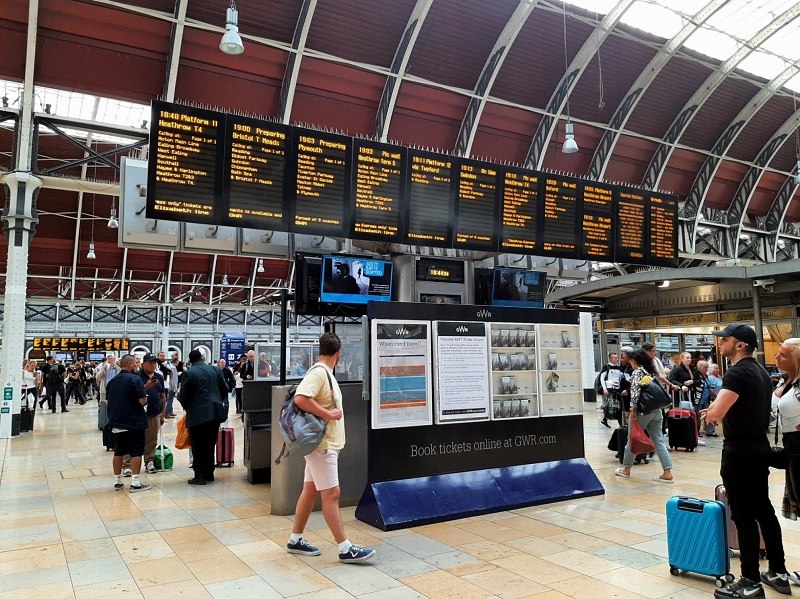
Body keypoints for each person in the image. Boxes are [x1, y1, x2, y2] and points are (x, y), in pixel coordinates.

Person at [704, 323, 789, 598]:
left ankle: (750, 580)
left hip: (739, 453)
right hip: (758, 449)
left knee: (743, 516)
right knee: (764, 511)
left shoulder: (737, 373)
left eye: (724, 339)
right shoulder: (761, 371)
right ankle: (778, 570)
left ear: (739, 344)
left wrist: (713, 412)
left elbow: (716, 413)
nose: (720, 343)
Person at [286, 332, 376, 564]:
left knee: (310, 491)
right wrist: (328, 413)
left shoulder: (324, 373)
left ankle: (295, 539)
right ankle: (345, 548)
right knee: (332, 493)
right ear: (339, 354)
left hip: (320, 445)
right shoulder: (319, 373)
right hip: (322, 445)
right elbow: (300, 398)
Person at [614, 348, 674, 483]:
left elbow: (635, 391)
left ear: (635, 361)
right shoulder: (650, 371)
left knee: (632, 438)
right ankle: (667, 472)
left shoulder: (637, 372)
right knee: (659, 440)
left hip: (643, 411)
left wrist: (632, 409)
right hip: (657, 411)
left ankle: (626, 469)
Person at [178, 349, 229, 485]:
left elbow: (183, 396)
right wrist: (217, 400)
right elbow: (225, 389)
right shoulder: (216, 370)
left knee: (197, 444)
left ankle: (199, 475)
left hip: (197, 414)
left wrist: (188, 407)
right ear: (201, 358)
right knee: (210, 443)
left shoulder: (188, 373)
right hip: (215, 413)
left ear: (190, 361)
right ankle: (209, 472)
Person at [106, 354, 150, 493]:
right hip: (134, 422)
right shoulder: (134, 379)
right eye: (136, 362)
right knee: (136, 451)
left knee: (119, 451)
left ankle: (117, 481)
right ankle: (135, 483)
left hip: (117, 421)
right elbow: (142, 401)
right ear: (130, 363)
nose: (137, 365)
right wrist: (146, 394)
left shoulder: (112, 381)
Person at [599, 352, 623, 428]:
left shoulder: (619, 368)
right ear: (611, 358)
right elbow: (602, 378)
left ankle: (608, 419)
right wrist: (604, 388)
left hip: (617, 388)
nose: (617, 359)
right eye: (615, 357)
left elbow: (621, 377)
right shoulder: (606, 367)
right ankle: (616, 421)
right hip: (609, 388)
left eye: (617, 357)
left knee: (617, 404)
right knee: (610, 403)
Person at [704, 363, 722, 437]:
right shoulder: (710, 378)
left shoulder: (719, 377)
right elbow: (711, 389)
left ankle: (711, 430)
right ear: (712, 370)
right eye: (716, 368)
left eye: (718, 368)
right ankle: (710, 431)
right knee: (713, 413)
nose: (719, 370)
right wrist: (716, 397)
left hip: (720, 397)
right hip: (714, 398)